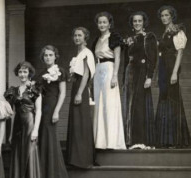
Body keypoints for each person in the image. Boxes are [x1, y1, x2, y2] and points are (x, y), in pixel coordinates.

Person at [5, 61, 43, 178]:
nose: (22, 74)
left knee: (29, 155)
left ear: (30, 73)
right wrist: (9, 134)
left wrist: (36, 130)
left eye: (25, 72)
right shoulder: (14, 90)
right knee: (17, 156)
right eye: (20, 72)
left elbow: (38, 111)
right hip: (17, 126)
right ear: (17, 73)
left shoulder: (35, 88)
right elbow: (13, 113)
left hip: (30, 123)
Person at [155, 5, 191, 148]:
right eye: (162, 16)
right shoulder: (165, 32)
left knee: (173, 99)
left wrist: (175, 72)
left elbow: (180, 53)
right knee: (164, 97)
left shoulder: (177, 31)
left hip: (171, 67)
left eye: (167, 15)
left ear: (172, 16)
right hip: (163, 67)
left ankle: (175, 139)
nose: (164, 18)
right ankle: (165, 139)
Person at [91, 12, 126, 150]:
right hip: (98, 70)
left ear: (109, 24)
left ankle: (112, 141)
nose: (102, 25)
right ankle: (100, 141)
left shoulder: (114, 37)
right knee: (99, 105)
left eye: (104, 22)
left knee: (109, 104)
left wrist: (115, 75)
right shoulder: (96, 40)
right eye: (100, 22)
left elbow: (117, 58)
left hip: (110, 69)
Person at [123, 11, 157, 149]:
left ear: (144, 22)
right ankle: (131, 139)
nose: (137, 23)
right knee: (130, 106)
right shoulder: (129, 39)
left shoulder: (149, 37)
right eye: (134, 21)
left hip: (142, 73)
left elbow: (152, 58)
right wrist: (122, 80)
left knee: (139, 105)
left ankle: (141, 140)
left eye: (139, 21)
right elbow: (125, 60)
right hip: (130, 73)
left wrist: (149, 76)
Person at [37, 45, 68, 178]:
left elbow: (62, 93)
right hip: (42, 107)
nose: (48, 57)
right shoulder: (41, 73)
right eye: (45, 55)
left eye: (50, 55)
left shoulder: (60, 71)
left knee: (51, 137)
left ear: (55, 56)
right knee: (43, 138)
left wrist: (57, 111)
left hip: (52, 106)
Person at [67, 27, 96, 168]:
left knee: (81, 120)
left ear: (85, 37)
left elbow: (86, 74)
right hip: (76, 86)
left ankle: (83, 159)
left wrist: (79, 93)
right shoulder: (77, 53)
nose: (77, 38)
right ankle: (75, 158)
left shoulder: (86, 52)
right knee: (75, 120)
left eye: (80, 35)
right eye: (75, 35)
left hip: (81, 88)